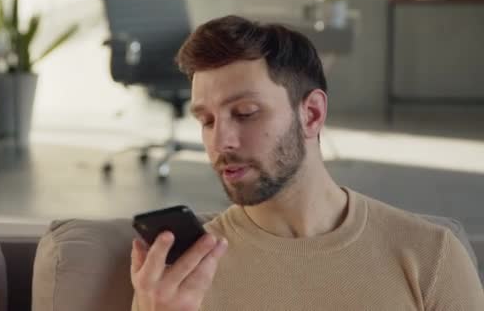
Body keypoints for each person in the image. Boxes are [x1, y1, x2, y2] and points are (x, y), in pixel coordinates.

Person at [129, 15, 484, 310]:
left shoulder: (430, 257)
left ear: (312, 114)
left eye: (245, 113)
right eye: (206, 121)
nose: (220, 141)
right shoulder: (178, 279)